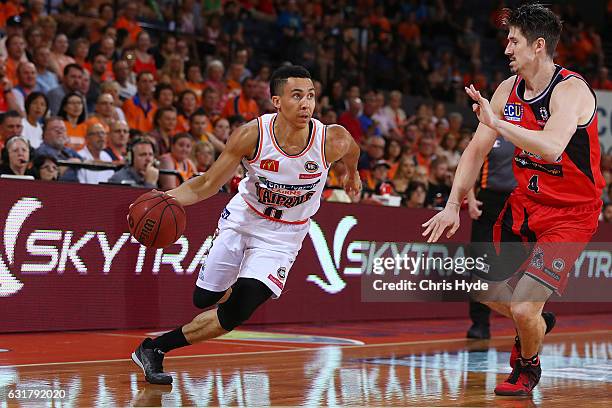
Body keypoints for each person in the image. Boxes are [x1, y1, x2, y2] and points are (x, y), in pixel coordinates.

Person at [131, 65, 361, 385]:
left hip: (284, 235)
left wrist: (353, 173)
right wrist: (164, 198)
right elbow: (207, 184)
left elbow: (353, 149)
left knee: (238, 310)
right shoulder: (252, 135)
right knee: (203, 299)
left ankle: (153, 349)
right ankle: (228, 280)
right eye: (297, 96)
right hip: (244, 218)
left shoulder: (330, 138)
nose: (306, 103)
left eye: (310, 96)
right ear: (277, 101)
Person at [422, 4, 604, 396]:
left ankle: (526, 363)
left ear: (538, 46)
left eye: (514, 41)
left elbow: (553, 147)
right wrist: (453, 203)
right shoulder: (508, 90)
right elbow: (475, 151)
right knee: (477, 285)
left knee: (522, 308)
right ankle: (536, 324)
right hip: (525, 205)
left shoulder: (571, 89)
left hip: (570, 215)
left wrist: (499, 123)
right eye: (507, 40)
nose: (506, 48)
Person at [465, 136, 516, 340]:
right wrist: (470, 198)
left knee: (511, 267)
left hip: (518, 203)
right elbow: (470, 161)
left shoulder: (529, 131)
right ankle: (479, 323)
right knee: (480, 264)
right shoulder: (488, 132)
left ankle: (528, 321)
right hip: (489, 202)